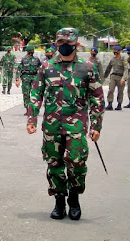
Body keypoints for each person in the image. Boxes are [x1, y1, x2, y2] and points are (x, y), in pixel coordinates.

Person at [27, 27, 104, 221]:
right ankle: (59, 201)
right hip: (52, 126)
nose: (64, 46)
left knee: (77, 163)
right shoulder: (46, 67)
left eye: (68, 43)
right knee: (54, 164)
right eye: (60, 43)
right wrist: (32, 118)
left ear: (76, 44)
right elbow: (36, 94)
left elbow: (97, 98)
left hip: (76, 126)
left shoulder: (87, 67)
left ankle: (75, 199)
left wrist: (96, 126)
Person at [16, 45, 42, 115]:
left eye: (33, 51)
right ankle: (27, 109)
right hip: (25, 78)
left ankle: (34, 109)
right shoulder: (23, 59)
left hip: (35, 77)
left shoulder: (37, 59)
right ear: (28, 52)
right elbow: (18, 69)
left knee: (35, 94)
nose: (32, 52)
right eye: (31, 51)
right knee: (26, 94)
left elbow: (41, 68)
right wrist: (17, 79)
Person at [103, 45, 127, 111]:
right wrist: (103, 78)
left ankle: (119, 104)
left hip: (120, 77)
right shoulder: (112, 59)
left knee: (120, 91)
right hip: (113, 76)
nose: (115, 52)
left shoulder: (123, 59)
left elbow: (126, 69)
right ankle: (110, 104)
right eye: (114, 50)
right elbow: (108, 69)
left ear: (119, 51)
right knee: (111, 90)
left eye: (116, 51)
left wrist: (124, 78)